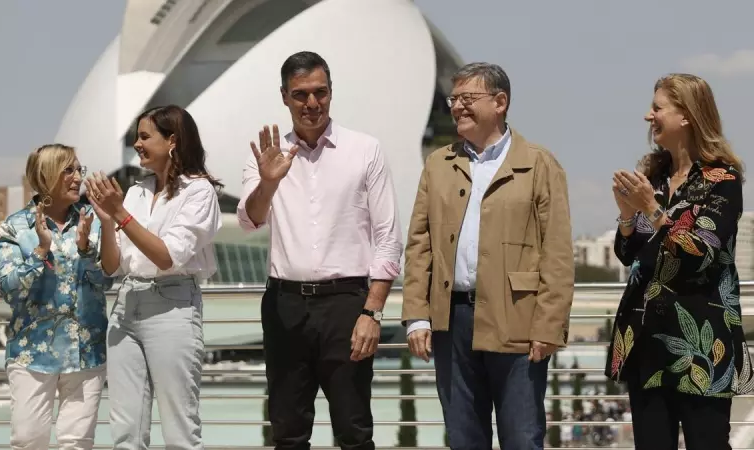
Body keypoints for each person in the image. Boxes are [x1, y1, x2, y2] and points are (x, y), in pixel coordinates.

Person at [402, 62, 575, 450]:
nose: (457, 107)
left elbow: (558, 253)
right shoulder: (438, 164)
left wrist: (549, 326)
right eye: (454, 99)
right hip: (452, 322)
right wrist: (416, 315)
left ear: (500, 102)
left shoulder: (539, 163)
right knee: (464, 438)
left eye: (468, 98)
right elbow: (420, 244)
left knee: (521, 436)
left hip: (518, 321)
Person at [238, 51, 402, 450]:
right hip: (285, 305)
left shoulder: (365, 150)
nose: (311, 103)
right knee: (288, 433)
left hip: (347, 304)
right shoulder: (267, 157)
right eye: (300, 95)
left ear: (331, 93)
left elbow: (388, 236)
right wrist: (270, 182)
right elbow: (249, 220)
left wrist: (372, 312)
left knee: (355, 431)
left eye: (320, 92)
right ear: (284, 96)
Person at [605, 73, 752, 449]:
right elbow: (630, 253)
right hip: (645, 341)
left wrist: (652, 210)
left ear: (686, 115)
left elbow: (698, 254)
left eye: (657, 108)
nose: (647, 116)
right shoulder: (652, 176)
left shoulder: (723, 180)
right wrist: (626, 216)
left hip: (701, 345)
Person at [86, 105, 223, 450]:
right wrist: (106, 220)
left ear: (173, 140)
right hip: (127, 303)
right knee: (125, 431)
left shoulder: (199, 192)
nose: (137, 144)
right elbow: (111, 267)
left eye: (145, 136)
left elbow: (167, 256)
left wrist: (119, 212)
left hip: (172, 306)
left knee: (179, 430)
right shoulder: (136, 191)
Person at [0, 144, 111, 450]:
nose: (78, 178)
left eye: (79, 170)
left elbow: (106, 280)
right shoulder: (15, 226)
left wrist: (87, 250)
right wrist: (40, 251)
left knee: (77, 443)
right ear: (47, 176)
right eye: (69, 171)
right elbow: (9, 289)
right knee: (28, 441)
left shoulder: (94, 221)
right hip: (32, 352)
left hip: (87, 350)